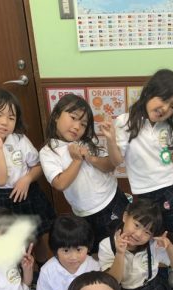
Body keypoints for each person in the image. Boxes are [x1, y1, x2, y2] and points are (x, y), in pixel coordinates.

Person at [101, 69, 173, 289]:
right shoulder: (124, 122)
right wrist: (111, 141)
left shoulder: (166, 126)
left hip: (172, 184)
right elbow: (116, 161)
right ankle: (144, 269)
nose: (166, 109)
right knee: (146, 231)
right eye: (164, 100)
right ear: (149, 92)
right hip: (145, 191)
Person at [0, 88, 55, 264]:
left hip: (29, 193)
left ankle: (42, 267)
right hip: (3, 200)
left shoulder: (19, 139)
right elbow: (0, 179)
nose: (5, 122)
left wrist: (27, 179)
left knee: (37, 237)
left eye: (11, 117)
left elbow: (38, 165)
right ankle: (18, 273)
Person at [40, 94, 129, 252]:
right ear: (56, 116)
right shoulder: (48, 152)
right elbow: (60, 183)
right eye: (73, 118)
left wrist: (91, 158)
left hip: (113, 200)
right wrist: (77, 160)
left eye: (83, 124)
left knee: (124, 243)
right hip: (85, 213)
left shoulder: (88, 141)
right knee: (97, 250)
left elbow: (109, 166)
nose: (77, 127)